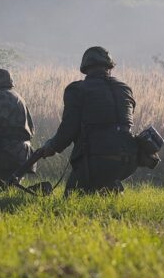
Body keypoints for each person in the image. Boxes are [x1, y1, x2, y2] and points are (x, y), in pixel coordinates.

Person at [39, 47, 138, 195]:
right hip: (128, 159)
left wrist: (52, 146)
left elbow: (69, 128)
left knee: (71, 200)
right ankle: (112, 194)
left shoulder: (77, 89)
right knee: (106, 191)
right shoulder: (124, 88)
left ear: (85, 67)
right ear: (109, 66)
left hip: (96, 157)